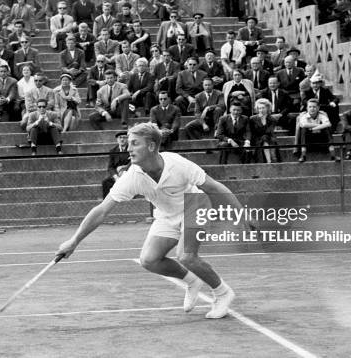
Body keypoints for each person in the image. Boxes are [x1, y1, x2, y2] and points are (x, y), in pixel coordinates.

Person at [57, 122, 240, 319]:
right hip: (166, 214)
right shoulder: (132, 176)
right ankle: (192, 280)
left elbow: (214, 187)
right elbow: (102, 210)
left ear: (151, 146)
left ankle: (223, 293)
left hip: (195, 205)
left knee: (186, 256)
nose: (128, 149)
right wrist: (74, 241)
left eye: (135, 144)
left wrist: (241, 213)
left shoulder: (177, 164)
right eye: (129, 143)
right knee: (149, 260)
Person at [295, 98, 340, 163]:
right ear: (307, 108)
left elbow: (328, 124)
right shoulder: (304, 115)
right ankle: (303, 155)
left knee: (327, 129)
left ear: (318, 108)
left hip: (320, 139)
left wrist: (313, 128)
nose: (312, 109)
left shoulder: (322, 114)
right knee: (304, 129)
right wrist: (319, 125)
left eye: (314, 107)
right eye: (310, 107)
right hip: (308, 140)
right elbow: (304, 125)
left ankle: (333, 154)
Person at [249, 98, 280, 163]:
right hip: (257, 139)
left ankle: (270, 160)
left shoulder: (272, 119)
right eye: (259, 108)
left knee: (265, 138)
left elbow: (268, 132)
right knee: (264, 139)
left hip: (269, 138)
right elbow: (252, 132)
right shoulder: (252, 119)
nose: (261, 110)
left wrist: (263, 119)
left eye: (263, 108)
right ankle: (270, 160)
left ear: (267, 108)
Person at [101, 130, 130, 198]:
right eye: (120, 137)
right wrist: (116, 177)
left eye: (124, 137)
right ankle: (106, 201)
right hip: (117, 175)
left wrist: (125, 170)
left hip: (129, 174)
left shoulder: (131, 148)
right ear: (117, 139)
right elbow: (110, 167)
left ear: (127, 139)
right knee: (106, 182)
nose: (122, 139)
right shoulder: (113, 151)